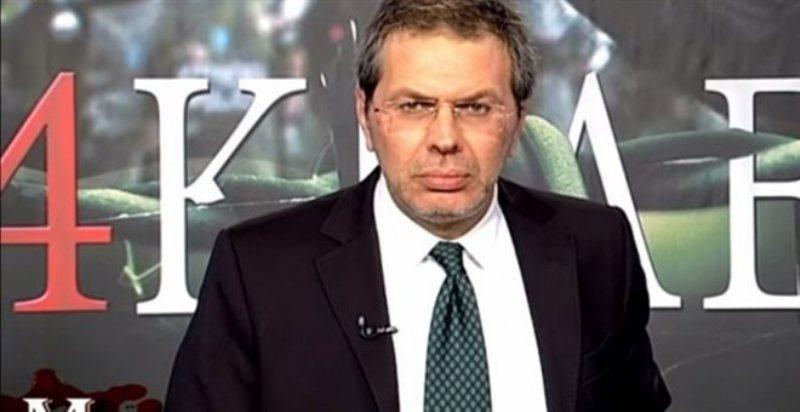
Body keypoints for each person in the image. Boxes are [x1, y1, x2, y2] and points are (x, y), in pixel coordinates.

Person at [165, 0, 671, 411]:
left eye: (475, 108)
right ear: (366, 114)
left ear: (518, 119)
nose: (444, 139)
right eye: (414, 106)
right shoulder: (258, 271)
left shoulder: (597, 248)